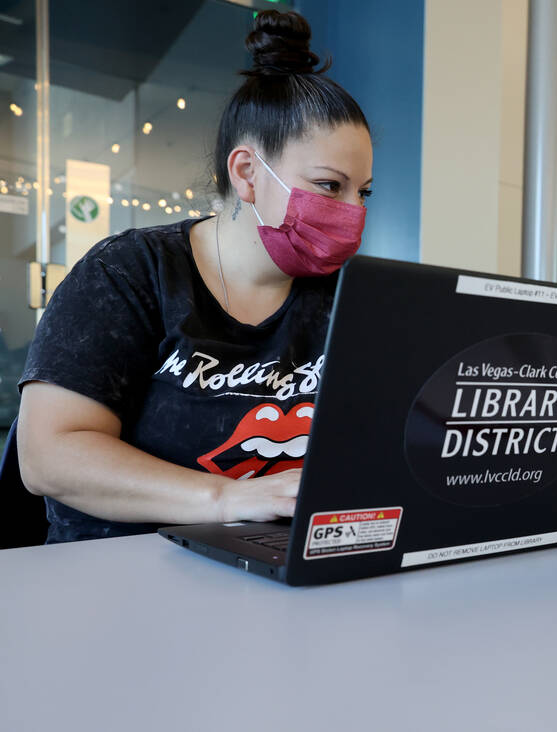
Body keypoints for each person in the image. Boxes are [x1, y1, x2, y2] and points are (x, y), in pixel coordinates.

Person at [16, 10, 373, 543]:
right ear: (248, 174)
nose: (352, 211)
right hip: (123, 572)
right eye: (329, 186)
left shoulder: (349, 296)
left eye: (363, 192)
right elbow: (47, 455)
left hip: (275, 570)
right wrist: (225, 499)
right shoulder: (131, 272)